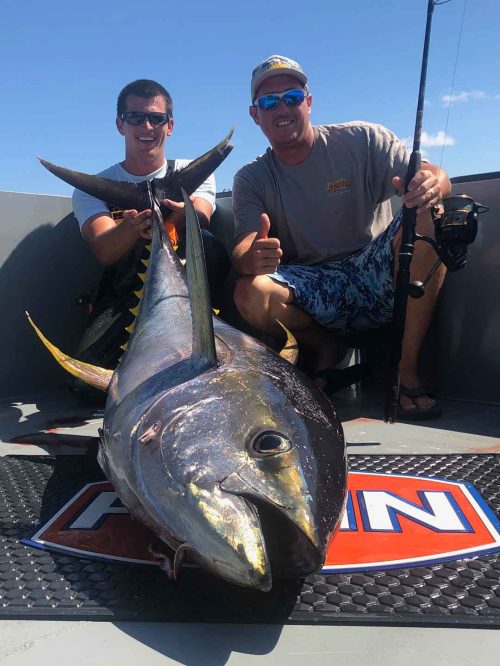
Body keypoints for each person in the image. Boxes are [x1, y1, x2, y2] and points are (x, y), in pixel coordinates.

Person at [231, 55, 451, 420]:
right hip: (318, 285)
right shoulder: (251, 178)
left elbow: (432, 174)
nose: (282, 107)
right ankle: (327, 347)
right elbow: (243, 246)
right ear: (256, 115)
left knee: (434, 212)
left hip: (378, 271)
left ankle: (405, 368)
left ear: (309, 102)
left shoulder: (363, 139)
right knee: (249, 292)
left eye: (292, 97)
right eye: (269, 102)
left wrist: (435, 181)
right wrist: (249, 255)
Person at [71, 79, 229, 401]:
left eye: (156, 118)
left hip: (189, 298)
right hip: (124, 298)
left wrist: (180, 216)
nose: (147, 126)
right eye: (135, 118)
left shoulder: (193, 172)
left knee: (207, 242)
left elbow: (202, 215)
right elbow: (103, 249)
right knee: (86, 389)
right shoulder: (90, 188)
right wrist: (131, 229)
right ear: (120, 124)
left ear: (169, 126)